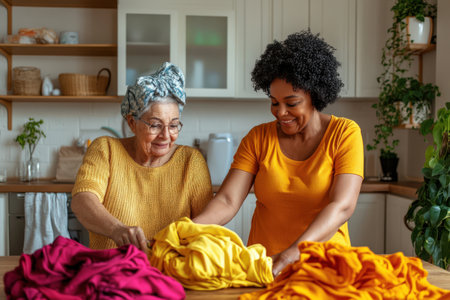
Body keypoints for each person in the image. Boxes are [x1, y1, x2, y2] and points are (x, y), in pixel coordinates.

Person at [193, 31, 364, 277]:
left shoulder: (344, 133)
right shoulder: (258, 138)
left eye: (291, 103)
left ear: (314, 96)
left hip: (326, 267)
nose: (280, 112)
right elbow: (228, 201)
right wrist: (187, 230)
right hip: (264, 267)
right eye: (274, 102)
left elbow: (342, 206)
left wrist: (291, 254)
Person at [71, 62, 212, 251]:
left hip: (169, 275)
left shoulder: (191, 161)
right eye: (155, 125)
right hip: (111, 273)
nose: (165, 135)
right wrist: (116, 229)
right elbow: (82, 201)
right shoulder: (106, 150)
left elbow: (208, 228)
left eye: (173, 125)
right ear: (132, 123)